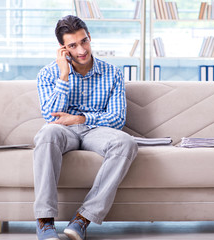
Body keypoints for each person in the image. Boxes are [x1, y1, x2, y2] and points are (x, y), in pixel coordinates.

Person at [34, 15, 138, 240]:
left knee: (126, 142)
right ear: (63, 48)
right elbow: (50, 116)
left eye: (84, 41)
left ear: (89, 37)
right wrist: (64, 75)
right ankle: (45, 221)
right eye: (72, 45)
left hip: (95, 131)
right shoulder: (47, 74)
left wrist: (79, 118)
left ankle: (83, 218)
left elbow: (117, 118)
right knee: (47, 133)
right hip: (63, 132)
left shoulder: (112, 74)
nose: (81, 50)